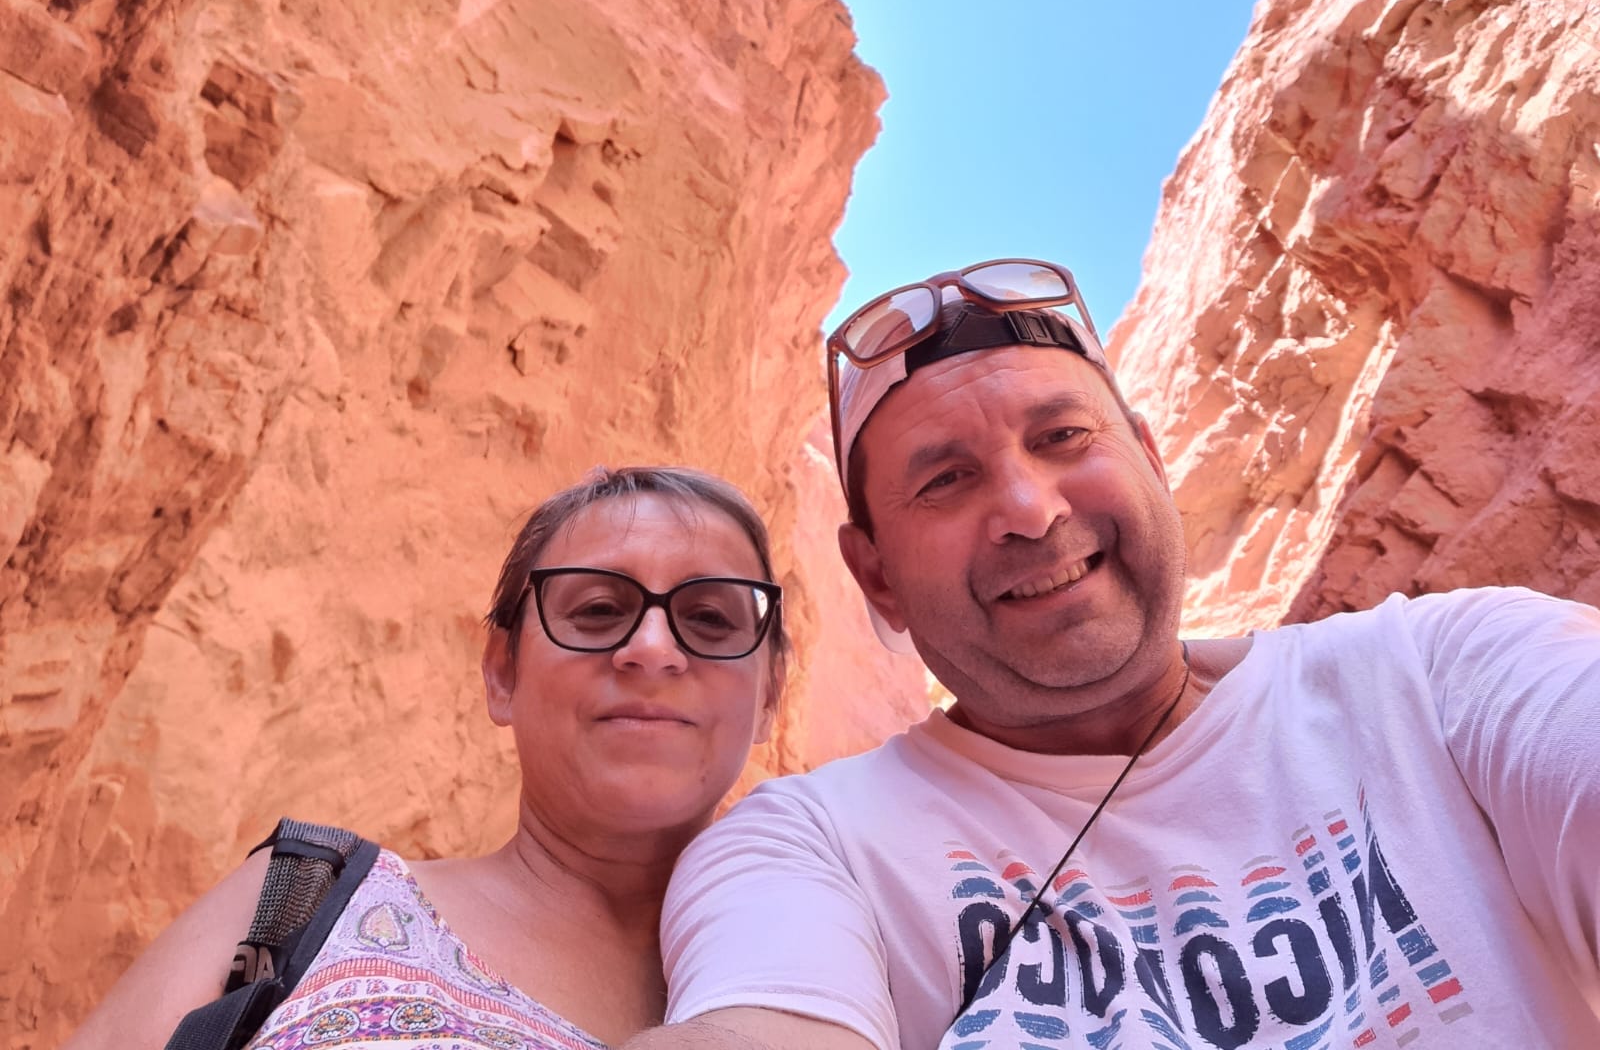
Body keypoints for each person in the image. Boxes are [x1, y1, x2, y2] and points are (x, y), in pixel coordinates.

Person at [630, 260, 1600, 1049]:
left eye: (1061, 436)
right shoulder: (810, 846)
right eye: (946, 480)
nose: (1029, 509)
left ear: (1147, 454)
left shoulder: (1439, 675)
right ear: (874, 574)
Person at [66, 466, 788, 1050]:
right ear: (501, 672)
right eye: (597, 610)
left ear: (770, 693)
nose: (654, 649)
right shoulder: (293, 903)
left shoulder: (847, 988)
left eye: (710, 619)